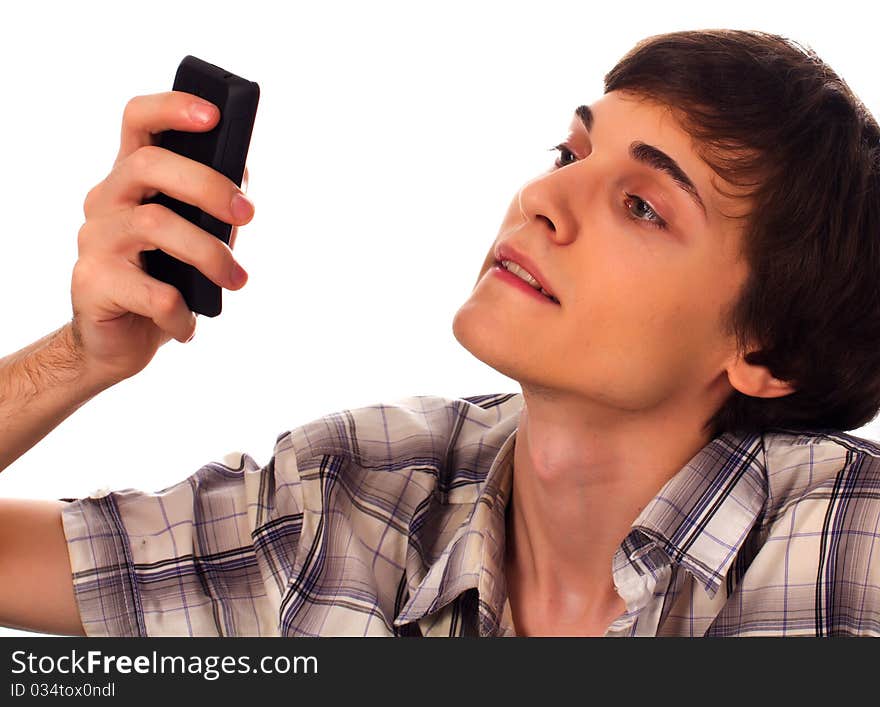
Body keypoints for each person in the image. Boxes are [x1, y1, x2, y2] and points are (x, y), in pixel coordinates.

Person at [1, 28, 879, 637]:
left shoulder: (852, 550)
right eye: (570, 155)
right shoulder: (349, 504)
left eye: (642, 206)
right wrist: (79, 359)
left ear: (767, 352)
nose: (542, 200)